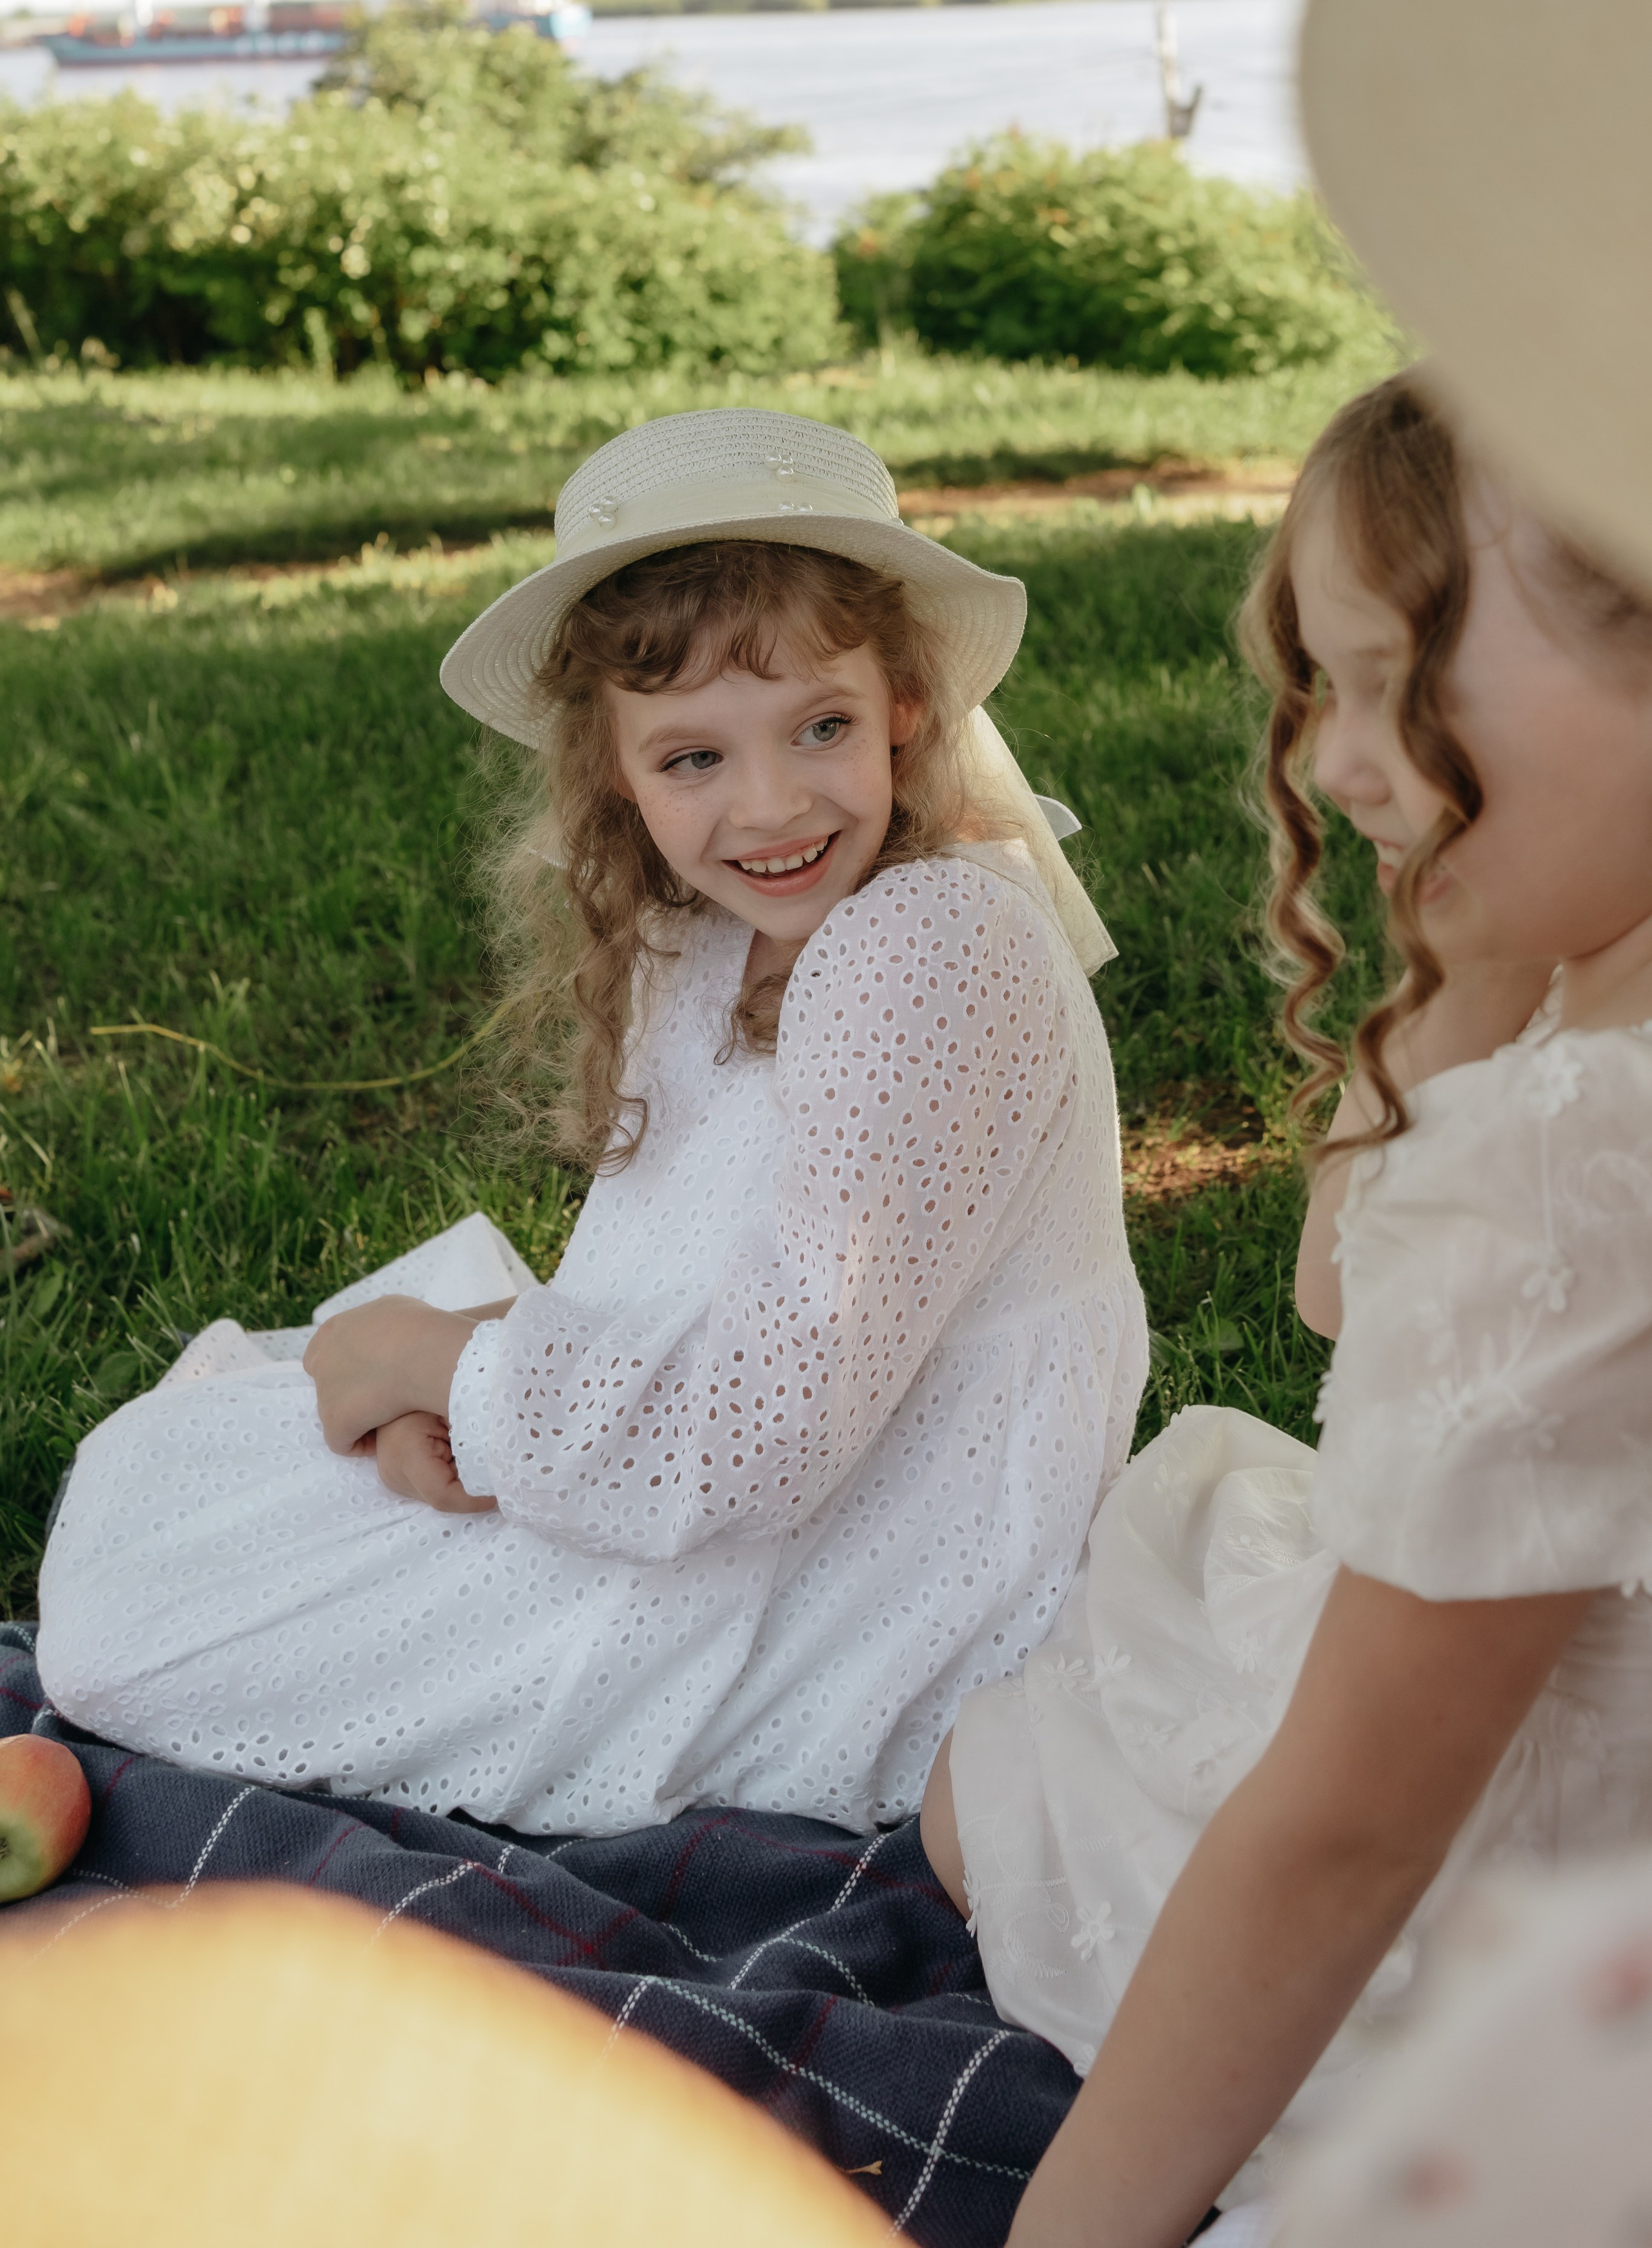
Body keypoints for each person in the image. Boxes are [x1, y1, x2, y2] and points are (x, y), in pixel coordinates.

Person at [36, 407, 1147, 1839]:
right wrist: (425, 1408)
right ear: (613, 766)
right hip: (684, 1463)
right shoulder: (704, 937)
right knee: (151, 1478)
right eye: (691, 758)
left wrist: (421, 1355)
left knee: (130, 1631)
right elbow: (656, 1291)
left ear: (904, 712)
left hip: (867, 1566)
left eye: (820, 727)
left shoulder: (925, 943)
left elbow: (765, 1433)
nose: (768, 805)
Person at [918, 370, 1652, 2242]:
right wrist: (1467, 984)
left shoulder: (1578, 1153)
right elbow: (1337, 1292)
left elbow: (1342, 1839)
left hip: (1546, 1908)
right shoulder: (1568, 984)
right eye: (1324, 683)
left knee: (980, 1796)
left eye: (1401, 674)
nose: (1335, 761)